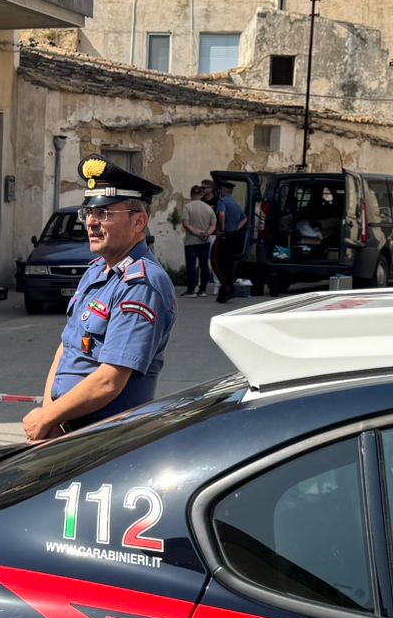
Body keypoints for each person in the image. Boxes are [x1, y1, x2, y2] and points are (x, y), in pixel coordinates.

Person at [22, 158, 177, 442]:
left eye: (104, 213)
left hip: (107, 441)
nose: (91, 222)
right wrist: (50, 415)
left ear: (139, 221)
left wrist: (46, 418)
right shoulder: (96, 271)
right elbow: (66, 349)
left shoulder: (141, 284)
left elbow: (109, 380)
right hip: (70, 432)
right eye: (89, 212)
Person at [211, 180, 247, 304]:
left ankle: (227, 287)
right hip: (233, 237)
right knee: (228, 264)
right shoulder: (236, 203)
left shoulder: (222, 201)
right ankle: (225, 291)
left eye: (220, 189)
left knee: (215, 261)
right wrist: (236, 228)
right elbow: (244, 219)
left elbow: (221, 215)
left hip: (224, 236)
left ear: (224, 191)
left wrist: (222, 229)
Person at [179, 185, 218, 298]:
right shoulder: (208, 208)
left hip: (191, 241)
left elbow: (186, 224)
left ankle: (191, 290)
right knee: (204, 265)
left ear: (191, 194)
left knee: (191, 266)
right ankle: (202, 290)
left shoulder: (187, 207)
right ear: (201, 194)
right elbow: (213, 225)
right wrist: (207, 233)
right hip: (205, 241)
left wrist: (197, 233)